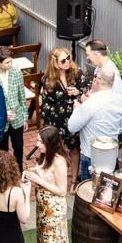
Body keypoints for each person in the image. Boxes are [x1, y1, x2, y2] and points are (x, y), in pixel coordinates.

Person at [23, 125, 71, 243]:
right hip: (43, 207)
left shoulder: (59, 161)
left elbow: (61, 190)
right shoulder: (45, 156)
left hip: (53, 210)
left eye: (40, 142)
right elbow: (42, 169)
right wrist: (33, 171)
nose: (37, 144)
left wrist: (39, 180)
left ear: (50, 143)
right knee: (48, 241)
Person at [67, 67, 122, 183]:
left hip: (91, 157)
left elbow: (72, 127)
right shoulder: (121, 100)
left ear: (97, 80)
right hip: (111, 155)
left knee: (90, 194)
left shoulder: (90, 103)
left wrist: (76, 109)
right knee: (109, 192)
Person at [40, 47, 86, 194]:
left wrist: (78, 93)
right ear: (55, 63)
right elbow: (46, 103)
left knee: (74, 149)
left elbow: (87, 92)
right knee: (56, 151)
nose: (67, 62)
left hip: (74, 118)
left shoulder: (77, 73)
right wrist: (45, 126)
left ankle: (73, 180)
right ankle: (56, 179)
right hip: (56, 119)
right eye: (63, 60)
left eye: (68, 58)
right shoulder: (48, 79)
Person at [0, 46, 28, 170]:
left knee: (19, 148)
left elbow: (22, 96)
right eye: (7, 62)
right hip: (0, 122)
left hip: (17, 118)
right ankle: (5, 176)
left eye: (11, 61)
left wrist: (25, 117)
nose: (10, 64)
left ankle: (19, 174)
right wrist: (4, 114)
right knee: (3, 152)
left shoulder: (16, 72)